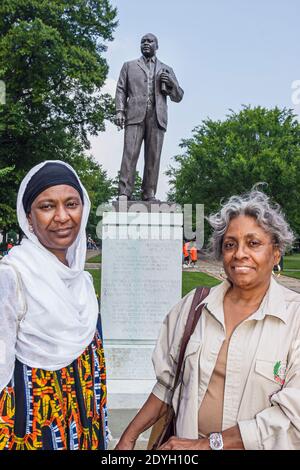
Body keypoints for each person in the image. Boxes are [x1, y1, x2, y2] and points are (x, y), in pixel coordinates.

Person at [116, 189, 300, 450]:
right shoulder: (194, 306)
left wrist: (208, 444)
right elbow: (168, 384)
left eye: (254, 243)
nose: (239, 254)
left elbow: (292, 416)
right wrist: (129, 437)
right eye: (230, 244)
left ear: (277, 253)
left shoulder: (295, 320)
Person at [0, 161, 107, 450]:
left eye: (71, 204)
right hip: (32, 434)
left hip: (86, 431)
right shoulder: (13, 276)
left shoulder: (82, 283)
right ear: (29, 219)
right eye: (47, 207)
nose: (62, 217)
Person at [115, 33, 184, 201]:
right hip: (134, 115)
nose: (146, 43)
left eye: (149, 41)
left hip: (157, 117)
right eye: (143, 41)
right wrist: (119, 110)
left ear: (156, 46)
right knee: (129, 154)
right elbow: (121, 89)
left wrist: (171, 83)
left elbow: (178, 96)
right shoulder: (129, 66)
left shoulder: (166, 69)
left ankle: (149, 192)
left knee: (154, 156)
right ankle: (124, 192)